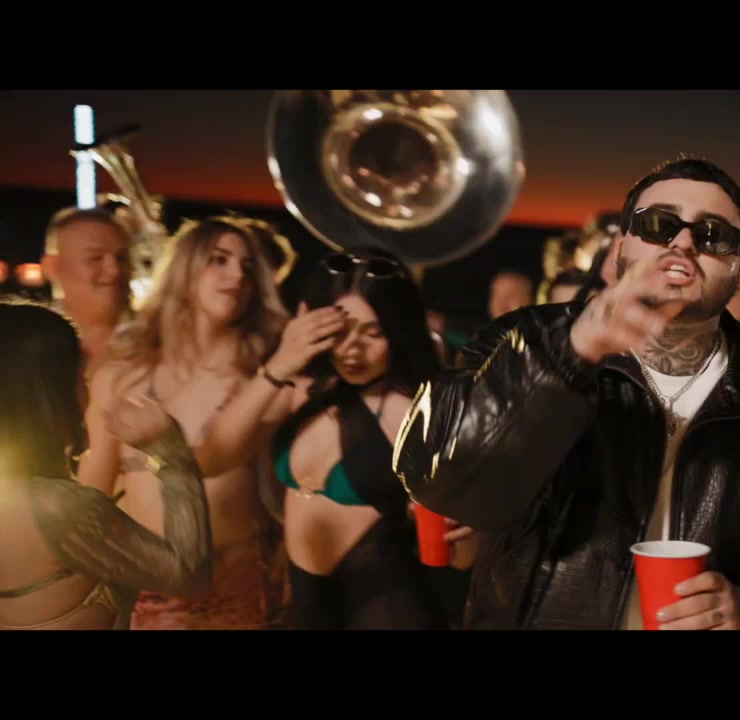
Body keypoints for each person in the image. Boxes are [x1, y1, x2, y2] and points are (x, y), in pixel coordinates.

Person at [392, 157, 740, 630]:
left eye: (713, 235)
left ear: (738, 272)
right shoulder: (522, 340)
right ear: (622, 248)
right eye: (659, 225)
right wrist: (571, 352)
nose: (684, 241)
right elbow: (439, 479)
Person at [197, 247, 471, 630]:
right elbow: (212, 459)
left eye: (373, 333)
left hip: (389, 610)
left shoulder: (415, 413)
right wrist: (280, 363)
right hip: (304, 606)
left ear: (398, 332)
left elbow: (460, 557)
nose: (352, 349)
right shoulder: (300, 391)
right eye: (339, 331)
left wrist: (469, 524)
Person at [78, 217, 290, 630]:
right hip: (146, 585)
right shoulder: (124, 375)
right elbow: (93, 490)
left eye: (248, 267)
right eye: (219, 260)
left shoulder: (261, 374)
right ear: (184, 269)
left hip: (236, 584)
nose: (237, 276)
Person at [0, 301, 212, 630]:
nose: (88, 391)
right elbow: (189, 574)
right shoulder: (60, 509)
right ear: (48, 392)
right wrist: (172, 453)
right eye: (80, 378)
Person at [39, 207, 133, 379]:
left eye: (121, 258)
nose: (114, 270)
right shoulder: (30, 348)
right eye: (95, 258)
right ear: (52, 267)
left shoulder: (159, 345)